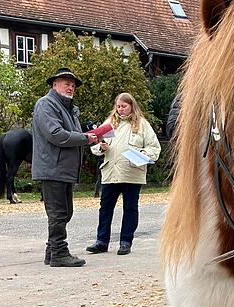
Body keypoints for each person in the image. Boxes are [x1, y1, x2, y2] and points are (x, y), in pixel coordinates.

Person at [31, 67, 98, 267]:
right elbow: (56, 134)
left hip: (63, 169)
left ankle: (52, 251)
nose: (70, 87)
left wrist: (88, 134)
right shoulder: (46, 104)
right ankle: (59, 252)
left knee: (65, 212)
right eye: (66, 83)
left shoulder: (68, 109)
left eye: (73, 85)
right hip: (53, 167)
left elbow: (70, 134)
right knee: (59, 213)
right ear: (54, 84)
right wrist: (85, 139)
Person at [86, 93, 161, 255]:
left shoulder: (142, 125)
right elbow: (94, 146)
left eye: (124, 106)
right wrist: (101, 147)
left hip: (132, 173)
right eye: (118, 106)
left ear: (132, 106)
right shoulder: (109, 124)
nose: (120, 109)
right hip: (110, 173)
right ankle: (101, 241)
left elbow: (154, 148)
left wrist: (142, 153)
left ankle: (126, 242)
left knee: (130, 208)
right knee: (105, 208)